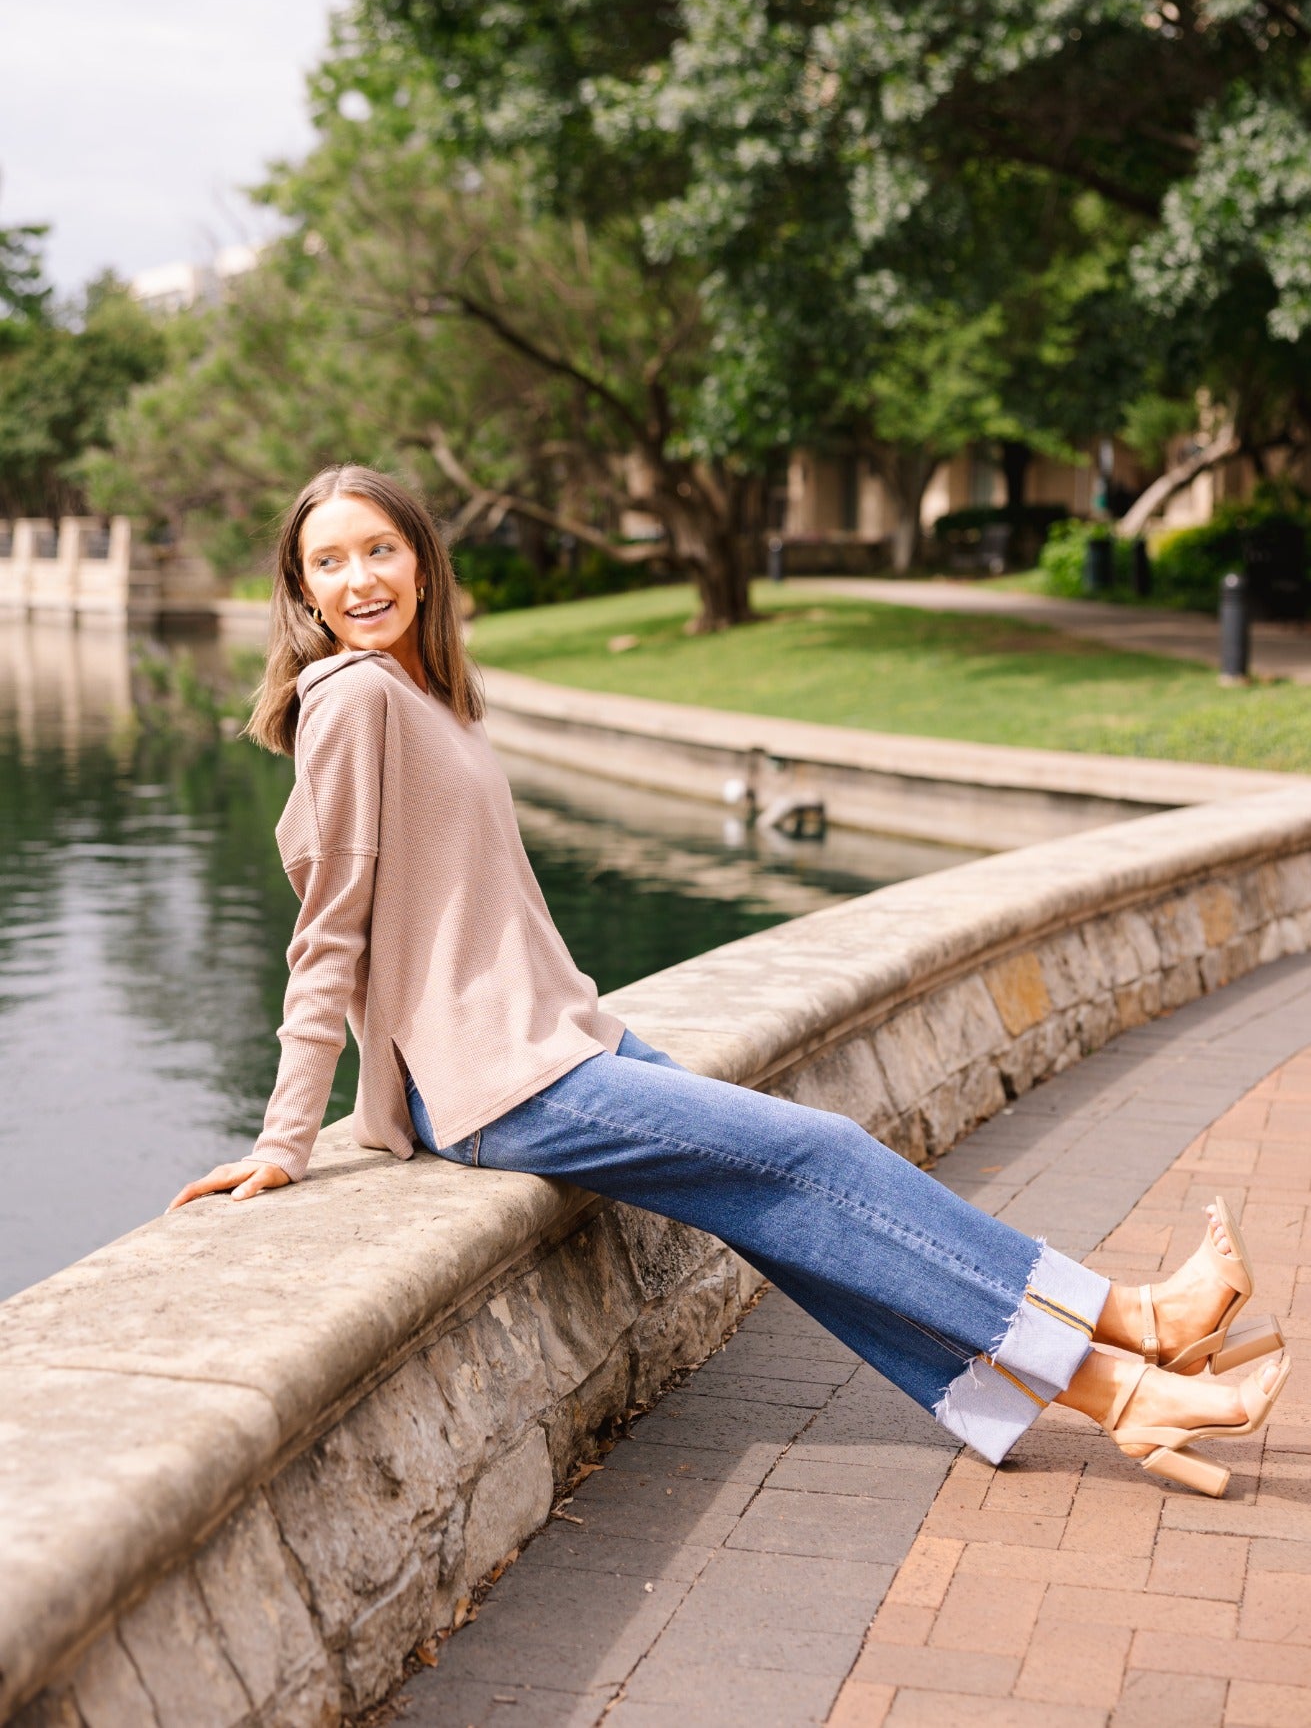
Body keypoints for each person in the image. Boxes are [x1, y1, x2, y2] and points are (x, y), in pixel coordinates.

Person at [170, 465, 1290, 1499]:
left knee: (779, 1211)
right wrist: (285, 1139)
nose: (359, 579)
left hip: (559, 1040)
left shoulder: (430, 696)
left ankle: (1086, 1388)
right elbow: (327, 937)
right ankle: (1129, 1336)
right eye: (329, 562)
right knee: (823, 1155)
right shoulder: (352, 700)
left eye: (379, 550)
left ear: (421, 558)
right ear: (301, 589)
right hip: (492, 1083)